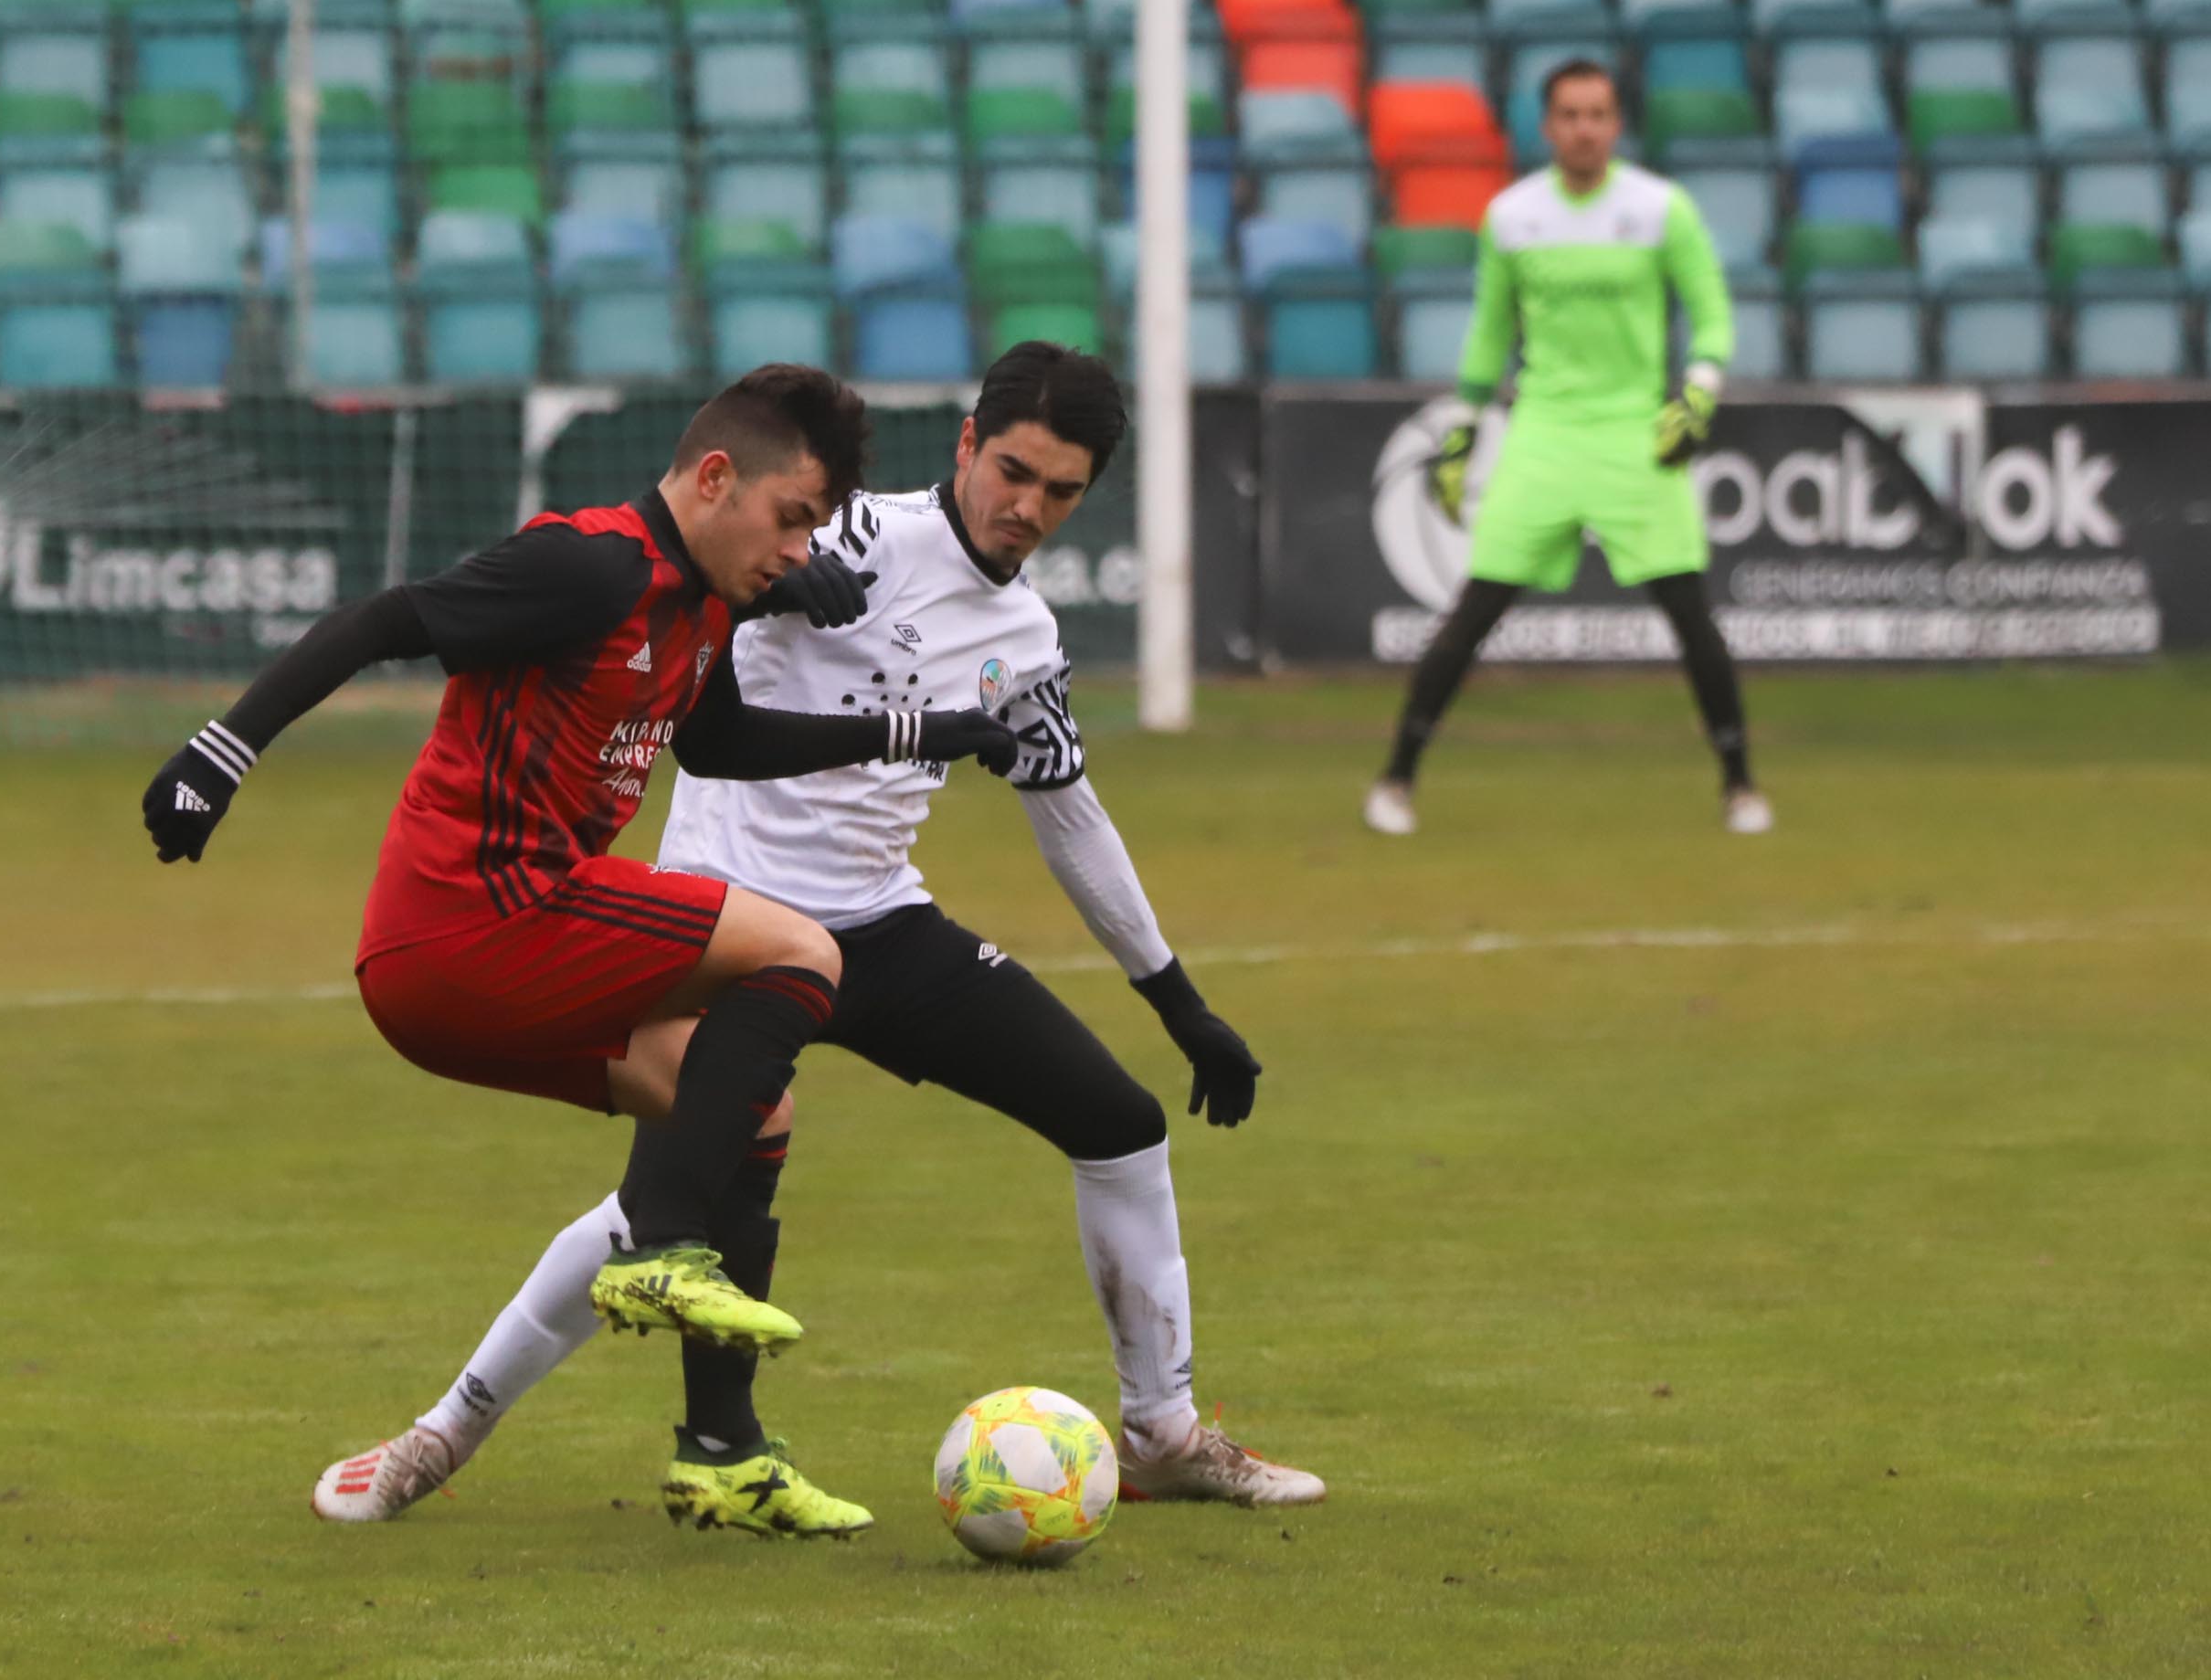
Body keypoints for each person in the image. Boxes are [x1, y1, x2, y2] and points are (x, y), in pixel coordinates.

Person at [311, 344, 1325, 1538]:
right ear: (963, 444)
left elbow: (1069, 817)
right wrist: (778, 590)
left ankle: (1160, 1436)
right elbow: (686, 577)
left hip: (883, 925)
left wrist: (1176, 1001)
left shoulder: (1028, 639)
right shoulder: (842, 535)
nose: (1025, 508)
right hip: (723, 927)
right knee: (659, 1214)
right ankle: (442, 1434)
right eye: (1011, 472)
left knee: (1121, 1126)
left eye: (1059, 493)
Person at [140, 365, 1022, 1528]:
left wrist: (920, 724)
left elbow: (721, 744)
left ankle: (724, 1451)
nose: (801, 548)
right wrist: (222, 750)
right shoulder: (589, 561)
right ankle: (659, 1244)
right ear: (716, 478)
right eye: (793, 516)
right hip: (467, 916)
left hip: (474, 965)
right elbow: (380, 620)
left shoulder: (700, 606)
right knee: (801, 951)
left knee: (753, 1107)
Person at [1364, 58, 1772, 840]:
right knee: (1476, 607)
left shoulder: (1660, 210)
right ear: (1547, 127)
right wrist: (1463, 430)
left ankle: (1741, 786)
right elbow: (1490, 334)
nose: (1586, 128)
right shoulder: (1514, 217)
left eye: (1599, 114)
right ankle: (1396, 779)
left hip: (1635, 437)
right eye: (1571, 115)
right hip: (1543, 433)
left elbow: (1712, 312)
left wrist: (1700, 391)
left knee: (1690, 614)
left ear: (1616, 125)